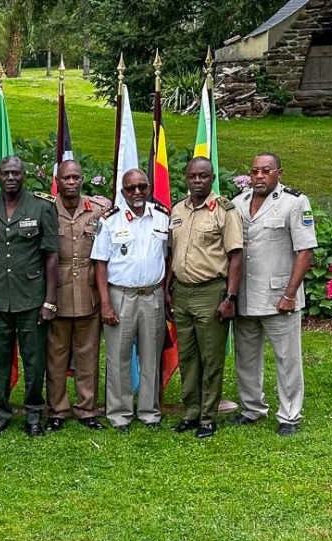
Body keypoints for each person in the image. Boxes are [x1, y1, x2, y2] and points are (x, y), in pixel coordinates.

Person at [229, 153, 317, 436]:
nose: (258, 176)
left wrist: (290, 294)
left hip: (280, 296)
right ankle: (252, 408)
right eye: (254, 171)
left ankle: (290, 415)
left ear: (279, 172)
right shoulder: (238, 202)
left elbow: (305, 251)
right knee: (246, 357)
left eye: (266, 171)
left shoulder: (294, 202)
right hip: (244, 295)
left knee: (287, 359)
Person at [0, 156, 60, 437]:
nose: (10, 178)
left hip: (32, 299)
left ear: (24, 175)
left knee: (34, 361)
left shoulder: (42, 206)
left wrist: (49, 300)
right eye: (5, 173)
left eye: (16, 173)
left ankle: (34, 413)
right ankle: (0, 412)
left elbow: (51, 256)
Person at [167, 157, 243, 439]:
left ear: (212, 178)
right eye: (192, 176)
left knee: (210, 359)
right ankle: (191, 412)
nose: (197, 181)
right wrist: (167, 289)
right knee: (187, 356)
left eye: (203, 176)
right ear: (186, 178)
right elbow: (172, 254)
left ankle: (208, 418)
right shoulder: (177, 210)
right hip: (182, 293)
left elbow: (235, 256)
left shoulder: (224, 211)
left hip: (212, 292)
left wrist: (230, 297)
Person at [90, 169, 170, 433]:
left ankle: (149, 412)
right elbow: (100, 264)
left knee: (151, 357)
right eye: (130, 188)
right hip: (120, 295)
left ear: (148, 188)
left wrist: (165, 289)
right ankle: (120, 413)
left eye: (141, 187)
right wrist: (105, 304)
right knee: (118, 357)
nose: (136, 193)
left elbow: (168, 257)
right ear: (122, 192)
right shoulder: (111, 221)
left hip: (152, 295)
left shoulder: (161, 217)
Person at [45, 160, 108, 432]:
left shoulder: (98, 210)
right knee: (56, 357)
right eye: (66, 178)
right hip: (56, 291)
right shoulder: (46, 210)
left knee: (88, 355)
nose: (71, 182)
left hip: (88, 290)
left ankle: (86, 408)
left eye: (76, 178)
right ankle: (57, 409)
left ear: (82, 180)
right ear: (57, 180)